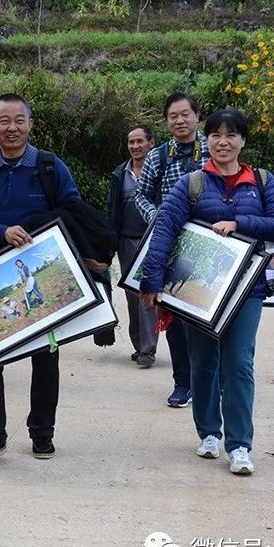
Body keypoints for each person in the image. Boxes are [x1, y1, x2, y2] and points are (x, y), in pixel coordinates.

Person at [139, 109, 274, 475]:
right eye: (217, 135)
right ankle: (208, 433)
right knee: (203, 362)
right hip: (199, 294)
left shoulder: (263, 181)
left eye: (232, 134)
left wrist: (240, 222)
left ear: (242, 140)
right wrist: (152, 281)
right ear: (208, 140)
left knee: (239, 364)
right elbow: (164, 230)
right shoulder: (191, 183)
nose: (224, 141)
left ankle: (239, 445)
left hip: (245, 291)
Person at [0, 93, 81, 467]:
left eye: (19, 120)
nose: (12, 128)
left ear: (30, 123)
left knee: (46, 358)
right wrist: (2, 232)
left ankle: (43, 433)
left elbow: (73, 211)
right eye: (4, 121)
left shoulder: (49, 166)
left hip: (38, 269)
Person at [134, 92, 210, 408]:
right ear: (166, 122)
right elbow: (141, 196)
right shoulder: (157, 156)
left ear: (197, 116)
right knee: (176, 317)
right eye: (173, 116)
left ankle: (210, 382)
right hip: (171, 245)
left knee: (208, 316)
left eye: (185, 115)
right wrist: (159, 219)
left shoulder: (212, 149)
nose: (179, 121)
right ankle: (183, 383)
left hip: (208, 243)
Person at [106, 124, 158, 367]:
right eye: (131, 142)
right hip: (126, 241)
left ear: (151, 143)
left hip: (152, 241)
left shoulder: (159, 172)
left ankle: (148, 349)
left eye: (140, 141)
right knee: (131, 295)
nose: (135, 146)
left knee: (147, 294)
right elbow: (112, 210)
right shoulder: (120, 174)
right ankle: (139, 345)